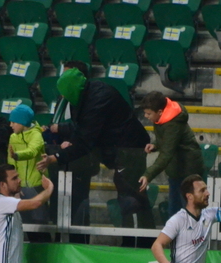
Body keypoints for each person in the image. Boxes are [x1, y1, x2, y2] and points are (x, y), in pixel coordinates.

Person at [36, 67, 153, 247]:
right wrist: (69, 139)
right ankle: (133, 241)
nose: (63, 98)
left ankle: (141, 244)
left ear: (71, 90)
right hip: (118, 149)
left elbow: (85, 139)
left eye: (65, 93)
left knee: (131, 198)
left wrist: (56, 157)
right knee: (128, 195)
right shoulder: (86, 96)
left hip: (130, 150)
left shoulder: (97, 99)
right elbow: (83, 128)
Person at [137, 91, 204, 217]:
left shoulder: (173, 123)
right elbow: (168, 139)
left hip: (187, 170)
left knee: (186, 212)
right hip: (175, 168)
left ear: (160, 112)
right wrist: (156, 144)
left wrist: (148, 175)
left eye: (149, 113)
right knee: (175, 212)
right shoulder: (163, 117)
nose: (146, 116)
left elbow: (167, 153)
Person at [7, 104, 50, 242]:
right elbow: (11, 165)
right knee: (26, 225)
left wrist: (17, 155)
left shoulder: (36, 135)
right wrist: (14, 188)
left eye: (14, 122)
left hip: (37, 187)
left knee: (39, 225)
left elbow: (32, 151)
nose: (10, 125)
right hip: (21, 189)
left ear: (23, 122)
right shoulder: (13, 137)